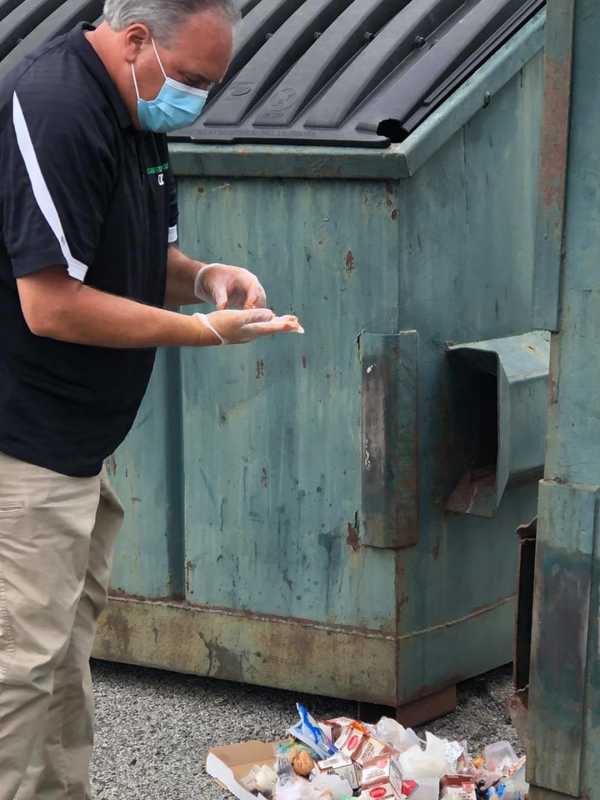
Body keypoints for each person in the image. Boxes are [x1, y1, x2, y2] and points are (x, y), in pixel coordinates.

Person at [0, 0, 303, 796]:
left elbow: (139, 248)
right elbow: (51, 302)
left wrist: (205, 278)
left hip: (80, 444)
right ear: (137, 40)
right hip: (21, 443)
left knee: (62, 661)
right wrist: (201, 332)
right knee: (17, 673)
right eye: (194, 79)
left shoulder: (138, 106)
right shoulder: (58, 106)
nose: (197, 100)